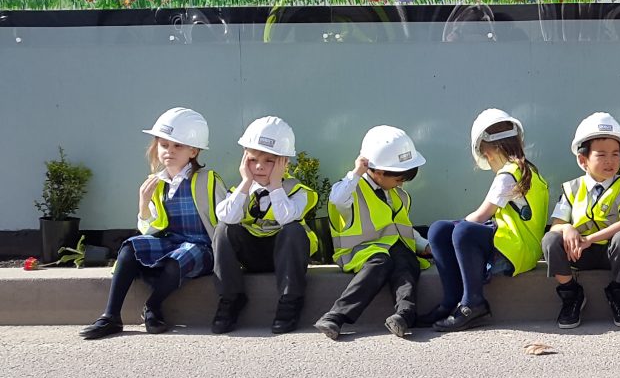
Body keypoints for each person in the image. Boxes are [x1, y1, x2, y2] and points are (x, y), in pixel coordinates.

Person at [81, 108, 227, 339]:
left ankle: (153, 306)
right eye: (164, 145)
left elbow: (225, 219)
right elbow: (150, 229)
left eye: (177, 146)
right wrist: (143, 204)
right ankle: (111, 316)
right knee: (131, 246)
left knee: (177, 258)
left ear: (194, 150)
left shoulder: (208, 179)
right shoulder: (156, 183)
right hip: (172, 243)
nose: (169, 151)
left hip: (201, 248)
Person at [420, 109, 551, 332]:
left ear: (490, 151)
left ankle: (473, 303)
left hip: (516, 252)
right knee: (439, 229)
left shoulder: (509, 174)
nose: (487, 159)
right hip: (512, 244)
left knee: (462, 231)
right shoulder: (523, 170)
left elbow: (480, 216)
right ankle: (451, 301)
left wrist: (438, 243)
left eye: (485, 154)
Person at [314, 126, 429, 340]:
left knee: (407, 262)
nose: (401, 183)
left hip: (390, 248)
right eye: (398, 177)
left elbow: (403, 228)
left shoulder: (398, 196)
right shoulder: (351, 189)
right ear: (376, 170)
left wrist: (424, 245)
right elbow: (337, 199)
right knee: (381, 262)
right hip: (358, 252)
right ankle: (335, 317)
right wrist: (357, 172)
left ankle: (404, 315)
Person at [210, 116, 318, 335]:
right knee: (225, 228)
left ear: (284, 162)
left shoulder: (300, 192)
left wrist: (277, 185)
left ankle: (290, 300)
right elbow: (227, 217)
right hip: (253, 255)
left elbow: (287, 218)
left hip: (285, 259)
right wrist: (245, 183)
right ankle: (231, 298)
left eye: (269, 161)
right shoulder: (240, 190)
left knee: (293, 229)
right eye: (252, 159)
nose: (259, 166)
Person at [544, 112, 620, 329]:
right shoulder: (572, 188)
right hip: (578, 253)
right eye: (601, 155)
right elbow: (556, 225)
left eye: (616, 154)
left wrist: (590, 238)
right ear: (583, 160)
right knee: (550, 240)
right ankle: (571, 295)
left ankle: (619, 295)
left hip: (610, 254)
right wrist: (568, 228)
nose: (610, 161)